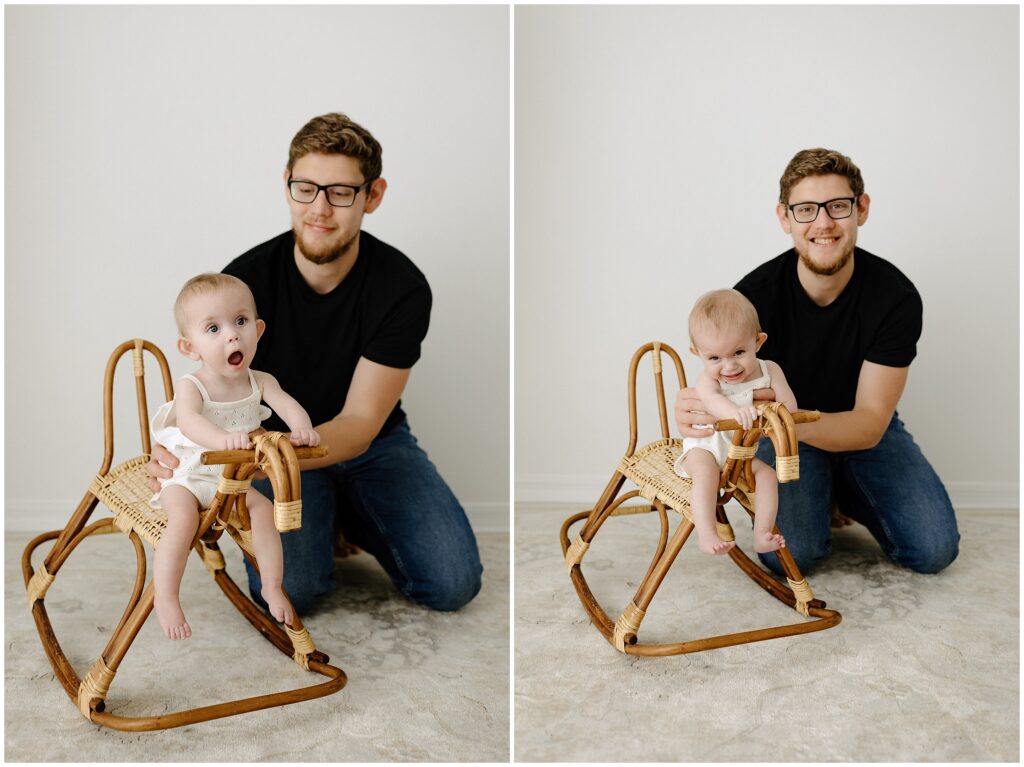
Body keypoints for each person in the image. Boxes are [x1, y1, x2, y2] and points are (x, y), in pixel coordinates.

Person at [148, 113, 482, 614]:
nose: (320, 209)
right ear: (286, 186)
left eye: (342, 192)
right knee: (291, 592)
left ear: (374, 195)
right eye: (306, 188)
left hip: (369, 444)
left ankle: (350, 514)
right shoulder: (244, 284)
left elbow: (361, 422)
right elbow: (202, 392)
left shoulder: (402, 288)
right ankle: (329, 518)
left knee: (452, 583)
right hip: (268, 446)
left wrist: (278, 458)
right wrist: (179, 452)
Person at [675, 148, 959, 576]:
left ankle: (843, 490)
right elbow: (717, 378)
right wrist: (696, 406)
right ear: (784, 217)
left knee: (933, 549)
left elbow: (869, 422)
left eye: (838, 206)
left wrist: (787, 416)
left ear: (861, 209)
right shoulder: (752, 299)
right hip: (784, 437)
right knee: (791, 555)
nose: (823, 223)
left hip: (860, 431)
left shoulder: (894, 297)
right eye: (806, 209)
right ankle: (823, 487)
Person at [151, 273, 320, 639]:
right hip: (188, 474)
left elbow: (287, 406)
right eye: (212, 328)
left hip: (233, 480)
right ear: (189, 347)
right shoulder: (192, 385)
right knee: (181, 522)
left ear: (258, 329)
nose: (231, 334)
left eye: (240, 322)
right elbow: (191, 422)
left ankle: (271, 585)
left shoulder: (261, 381)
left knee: (264, 513)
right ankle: (165, 597)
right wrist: (223, 439)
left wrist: (302, 427)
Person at [674, 289, 795, 556]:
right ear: (698, 353)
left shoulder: (770, 370)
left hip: (741, 453)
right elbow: (711, 402)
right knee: (707, 473)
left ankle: (762, 533)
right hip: (706, 447)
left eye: (739, 352)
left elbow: (789, 407)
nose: (728, 367)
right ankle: (706, 534)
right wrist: (734, 411)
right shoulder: (709, 380)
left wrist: (773, 418)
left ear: (758, 342)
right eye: (714, 358)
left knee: (767, 475)